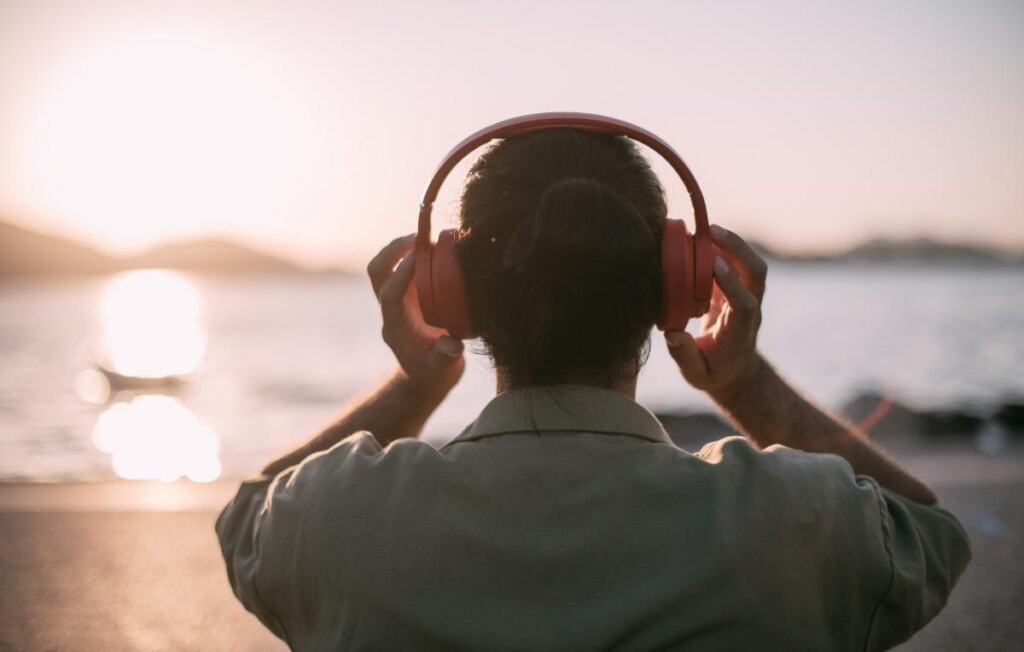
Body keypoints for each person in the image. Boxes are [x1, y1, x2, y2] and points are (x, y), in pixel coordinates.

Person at [216, 128, 971, 651]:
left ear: (455, 293)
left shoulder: (334, 517)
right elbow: (930, 535)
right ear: (676, 284)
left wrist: (415, 384)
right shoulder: (795, 520)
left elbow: (247, 515)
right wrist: (744, 380)